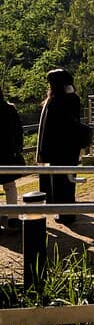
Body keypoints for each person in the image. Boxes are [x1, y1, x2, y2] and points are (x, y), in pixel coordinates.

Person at [37, 69, 84, 224]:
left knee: (60, 181)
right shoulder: (73, 98)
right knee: (69, 180)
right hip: (71, 147)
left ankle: (64, 213)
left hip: (58, 148)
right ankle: (67, 212)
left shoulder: (56, 100)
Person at [0, 86, 26, 231]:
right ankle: (13, 218)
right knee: (10, 186)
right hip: (7, 153)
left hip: (6, 152)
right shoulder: (9, 109)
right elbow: (18, 131)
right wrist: (18, 148)